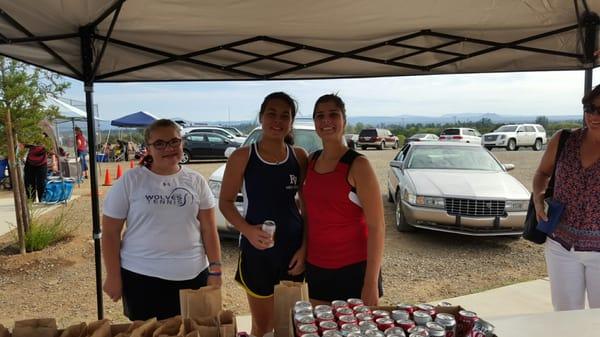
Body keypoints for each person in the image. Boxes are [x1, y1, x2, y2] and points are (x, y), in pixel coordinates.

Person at [101, 119, 222, 321]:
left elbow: (209, 229)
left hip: (193, 276)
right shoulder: (131, 181)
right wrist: (113, 276)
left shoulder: (196, 180)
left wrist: (216, 270)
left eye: (174, 141)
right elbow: (111, 233)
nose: (169, 148)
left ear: (182, 143)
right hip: (142, 277)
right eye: (159, 144)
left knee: (192, 331)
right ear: (148, 148)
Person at [219, 92, 307, 337]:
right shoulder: (243, 156)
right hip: (257, 254)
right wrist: (247, 230)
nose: (277, 121)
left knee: (290, 324)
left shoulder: (299, 156)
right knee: (263, 327)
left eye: (284, 116)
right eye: (272, 114)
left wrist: (305, 247)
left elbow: (307, 207)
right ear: (261, 117)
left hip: (293, 253)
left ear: (291, 121)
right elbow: (225, 203)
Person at [302, 94, 385, 306]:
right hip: (317, 267)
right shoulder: (311, 161)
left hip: (354, 270)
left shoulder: (358, 165)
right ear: (314, 122)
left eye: (333, 114)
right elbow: (308, 215)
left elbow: (377, 227)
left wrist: (371, 283)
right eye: (320, 116)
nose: (326, 120)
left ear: (344, 121)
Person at [533, 85, 600, 311]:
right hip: (561, 245)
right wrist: (538, 198)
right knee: (565, 318)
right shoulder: (564, 140)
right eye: (590, 108)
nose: (594, 116)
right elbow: (542, 173)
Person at [21, 135, 49, 202]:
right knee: (29, 182)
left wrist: (54, 161)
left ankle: (41, 199)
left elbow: (52, 150)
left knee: (41, 183)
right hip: (30, 163)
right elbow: (22, 145)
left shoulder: (47, 141)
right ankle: (31, 199)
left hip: (42, 163)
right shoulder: (31, 138)